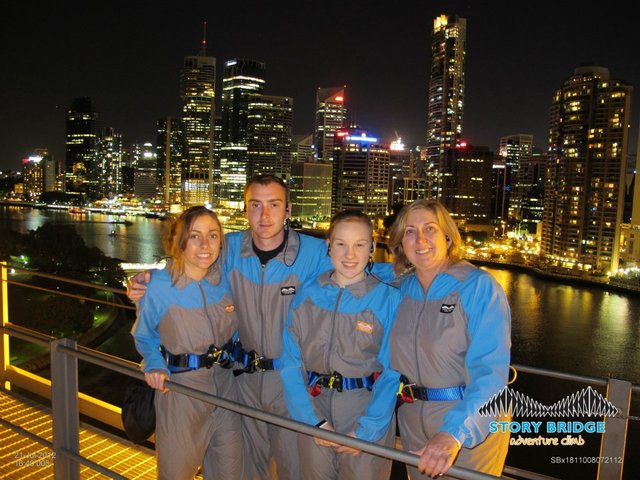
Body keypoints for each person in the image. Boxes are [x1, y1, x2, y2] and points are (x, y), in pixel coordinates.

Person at [127, 175, 335, 479]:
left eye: (273, 205)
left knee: (291, 469)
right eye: (255, 205)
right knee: (242, 470)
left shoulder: (315, 252)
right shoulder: (229, 249)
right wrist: (144, 279)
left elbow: (358, 268)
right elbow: (183, 267)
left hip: (283, 383)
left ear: (288, 209)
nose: (264, 215)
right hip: (237, 384)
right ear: (246, 208)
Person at [387, 199, 511, 478]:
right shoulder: (401, 289)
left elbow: (490, 372)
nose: (420, 239)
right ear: (400, 243)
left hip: (470, 427)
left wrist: (454, 434)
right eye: (409, 231)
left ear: (447, 236)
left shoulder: (478, 286)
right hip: (412, 422)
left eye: (429, 228)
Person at [279, 209, 401, 480]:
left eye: (359, 245)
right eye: (341, 244)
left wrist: (367, 430)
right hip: (314, 407)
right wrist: (311, 420)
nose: (350, 255)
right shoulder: (307, 294)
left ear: (372, 247)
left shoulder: (387, 298)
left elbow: (392, 371)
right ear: (328, 246)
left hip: (365, 411)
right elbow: (290, 363)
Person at [130, 206, 241, 480]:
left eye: (213, 236)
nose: (205, 245)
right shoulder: (157, 285)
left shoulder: (226, 281)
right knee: (176, 474)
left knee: (230, 472)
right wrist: (154, 365)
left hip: (227, 391)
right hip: (181, 393)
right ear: (179, 242)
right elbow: (143, 334)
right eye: (195, 236)